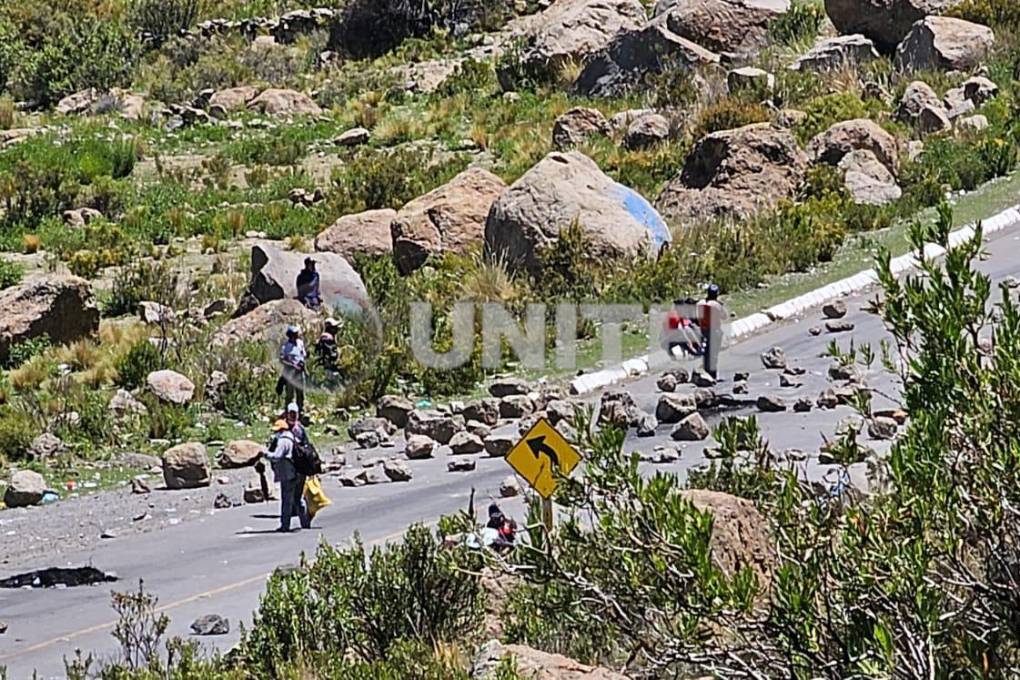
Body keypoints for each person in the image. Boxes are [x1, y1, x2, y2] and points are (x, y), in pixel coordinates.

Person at [264, 419, 311, 533]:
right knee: (297, 498)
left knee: (286, 500)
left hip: (289, 474)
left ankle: (285, 525)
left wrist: (264, 453)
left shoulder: (283, 441)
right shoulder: (293, 437)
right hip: (299, 472)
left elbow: (276, 456)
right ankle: (305, 522)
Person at [279, 326, 306, 414]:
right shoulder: (285, 347)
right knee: (290, 393)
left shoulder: (300, 343)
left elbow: (303, 355)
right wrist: (293, 365)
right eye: (294, 334)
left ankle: (300, 410)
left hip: (299, 372)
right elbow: (282, 360)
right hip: (290, 373)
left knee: (300, 392)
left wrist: (302, 363)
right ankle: (288, 411)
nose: (296, 336)